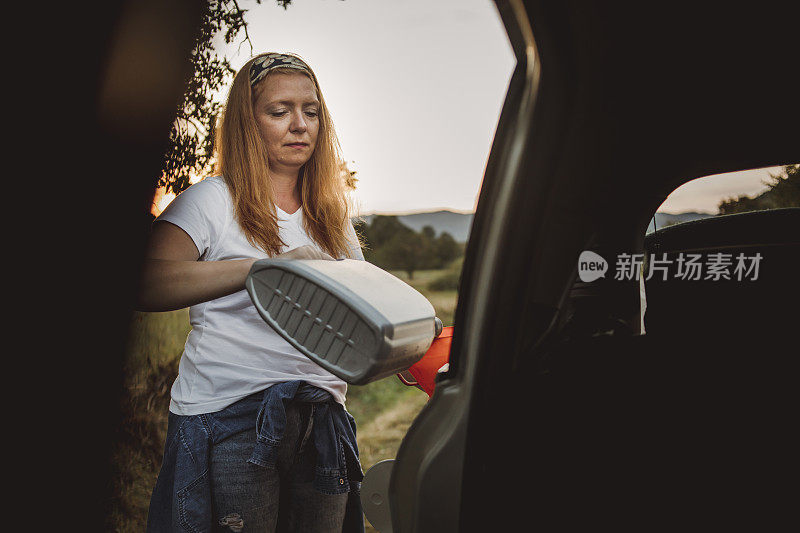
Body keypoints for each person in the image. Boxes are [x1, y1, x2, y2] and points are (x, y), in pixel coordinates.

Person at [140, 52, 365, 532]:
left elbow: (361, 306)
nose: (299, 124)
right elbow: (146, 280)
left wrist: (408, 338)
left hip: (321, 417)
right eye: (279, 111)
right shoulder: (211, 200)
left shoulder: (331, 214)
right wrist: (262, 270)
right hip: (231, 417)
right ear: (248, 121)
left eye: (311, 111)